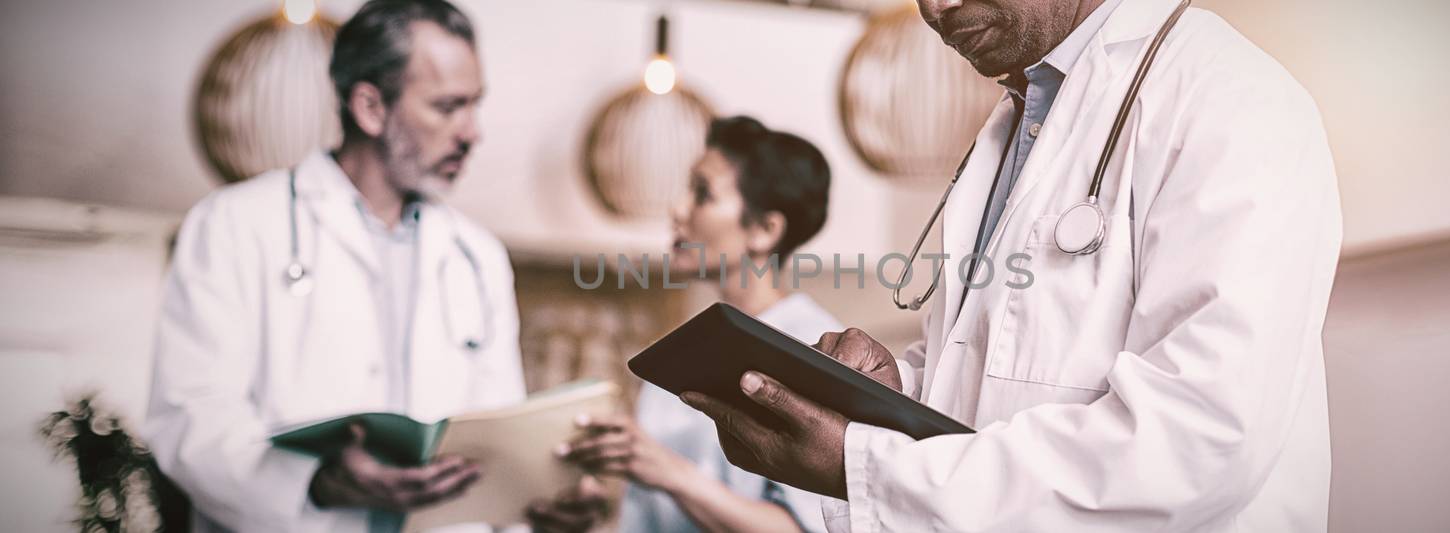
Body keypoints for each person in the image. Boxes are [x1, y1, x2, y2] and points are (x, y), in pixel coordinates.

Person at [682, 0, 1344, 531]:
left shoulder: (1232, 98)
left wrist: (865, 463)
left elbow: (1197, 442)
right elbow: (1001, 379)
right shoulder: (1020, 122)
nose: (934, 8)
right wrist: (893, 393)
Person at [146, 1, 602, 531]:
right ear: (369, 108)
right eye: (448, 106)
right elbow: (188, 422)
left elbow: (494, 439)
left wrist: (538, 499)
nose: (472, 132)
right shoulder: (233, 225)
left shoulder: (477, 256)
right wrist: (317, 482)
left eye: (475, 105)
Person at [548, 116, 837, 533]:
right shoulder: (688, 343)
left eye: (702, 194)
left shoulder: (816, 347)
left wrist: (667, 471)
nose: (678, 209)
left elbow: (803, 528)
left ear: (764, 230)